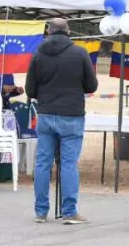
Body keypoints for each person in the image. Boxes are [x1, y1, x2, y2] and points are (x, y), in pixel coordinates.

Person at [25, 18, 98, 225]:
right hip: (72, 115)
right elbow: (91, 85)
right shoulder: (80, 53)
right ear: (68, 32)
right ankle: (69, 212)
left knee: (42, 163)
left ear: (48, 32)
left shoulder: (38, 54)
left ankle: (40, 212)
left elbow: (30, 90)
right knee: (68, 164)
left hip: (46, 114)